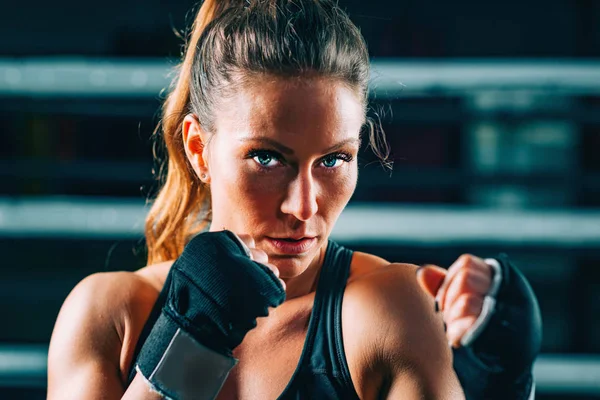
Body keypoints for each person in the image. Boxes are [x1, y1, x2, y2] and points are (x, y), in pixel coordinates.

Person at [47, 0, 541, 399]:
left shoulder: (386, 312)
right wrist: (185, 350)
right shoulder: (110, 317)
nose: (303, 208)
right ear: (199, 148)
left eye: (333, 160)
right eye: (267, 158)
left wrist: (506, 389)